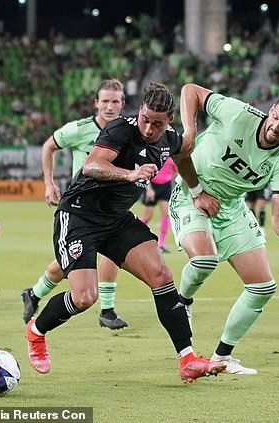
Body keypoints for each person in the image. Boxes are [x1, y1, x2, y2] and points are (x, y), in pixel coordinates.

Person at [25, 82, 226, 383]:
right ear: (139, 112)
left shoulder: (169, 138)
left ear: (169, 120)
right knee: (84, 297)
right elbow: (92, 165)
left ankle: (187, 359)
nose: (148, 128)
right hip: (79, 215)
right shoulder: (120, 129)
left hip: (116, 220)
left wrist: (196, 191)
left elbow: (183, 156)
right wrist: (130, 174)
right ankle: (36, 332)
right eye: (145, 119)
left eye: (157, 123)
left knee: (161, 275)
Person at [170, 83, 279, 374]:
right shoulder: (237, 113)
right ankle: (182, 302)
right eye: (275, 118)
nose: (276, 127)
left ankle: (222, 355)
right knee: (204, 260)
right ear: (271, 110)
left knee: (262, 287)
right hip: (190, 195)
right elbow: (190, 91)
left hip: (231, 208)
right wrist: (191, 131)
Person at [21, 79, 130, 330]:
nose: (110, 106)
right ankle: (37, 295)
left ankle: (105, 310)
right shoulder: (80, 129)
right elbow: (49, 146)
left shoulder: (127, 131)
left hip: (112, 205)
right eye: (105, 101)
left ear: (122, 104)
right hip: (81, 208)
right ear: (96, 103)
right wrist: (48, 183)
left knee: (104, 254)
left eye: (115, 101)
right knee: (73, 260)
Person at [139, 157, 177, 253]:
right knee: (147, 216)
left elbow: (175, 171)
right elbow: (145, 172)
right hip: (152, 184)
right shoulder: (156, 153)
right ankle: (131, 235)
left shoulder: (172, 155)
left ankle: (160, 245)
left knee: (166, 214)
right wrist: (149, 189)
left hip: (165, 186)